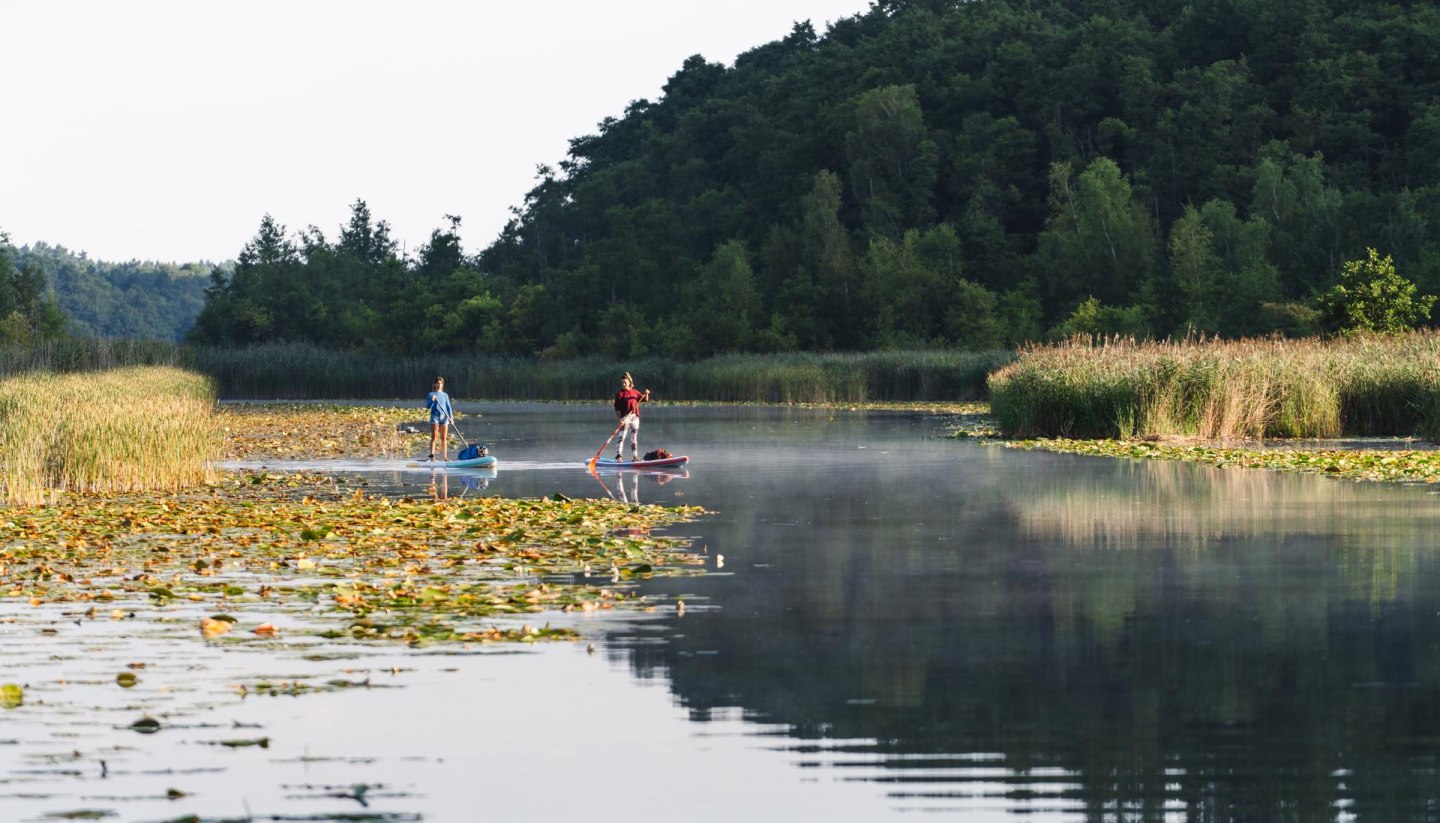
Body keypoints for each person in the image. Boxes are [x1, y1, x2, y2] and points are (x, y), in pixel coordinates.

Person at [612, 372, 651, 461]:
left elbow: (645, 399)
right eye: (622, 382)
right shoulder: (620, 394)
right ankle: (619, 456)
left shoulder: (635, 392)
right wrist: (619, 420)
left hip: (635, 418)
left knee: (634, 438)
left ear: (630, 382)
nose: (623, 384)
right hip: (625, 418)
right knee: (621, 437)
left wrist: (646, 393)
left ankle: (634, 456)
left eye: (625, 382)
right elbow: (617, 408)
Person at [425, 376, 454, 461]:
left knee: (443, 438)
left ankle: (445, 457)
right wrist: (432, 400)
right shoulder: (431, 394)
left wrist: (451, 418)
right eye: (437, 383)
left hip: (444, 417)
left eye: (440, 383)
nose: (439, 385)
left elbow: (449, 407)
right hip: (435, 417)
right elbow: (428, 406)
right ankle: (432, 457)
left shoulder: (445, 395)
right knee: (434, 437)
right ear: (434, 384)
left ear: (442, 384)